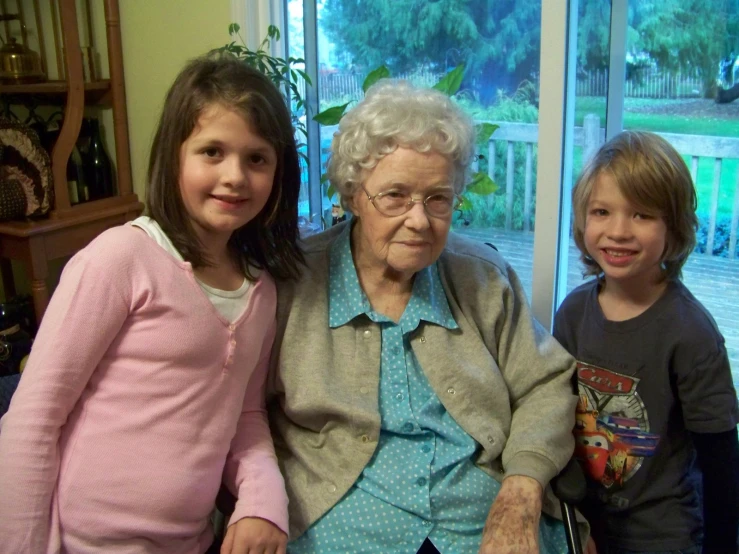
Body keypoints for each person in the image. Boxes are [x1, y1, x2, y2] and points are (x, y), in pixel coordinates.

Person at [0, 52, 304, 554]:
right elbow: (33, 418)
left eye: (257, 158)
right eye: (212, 152)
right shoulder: (120, 258)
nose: (235, 176)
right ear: (174, 156)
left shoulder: (261, 292)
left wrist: (263, 502)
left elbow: (245, 418)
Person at [267, 80, 580, 554]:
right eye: (395, 195)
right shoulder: (293, 284)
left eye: (438, 198)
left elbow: (545, 385)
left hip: (480, 515)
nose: (419, 220)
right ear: (353, 194)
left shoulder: (483, 279)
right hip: (345, 522)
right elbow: (242, 411)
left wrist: (522, 487)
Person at [553, 131, 739, 554]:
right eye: (602, 211)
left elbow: (721, 462)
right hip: (583, 523)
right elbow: (555, 411)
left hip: (664, 535)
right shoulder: (573, 312)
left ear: (672, 229)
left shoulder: (691, 333)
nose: (618, 231)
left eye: (641, 215)